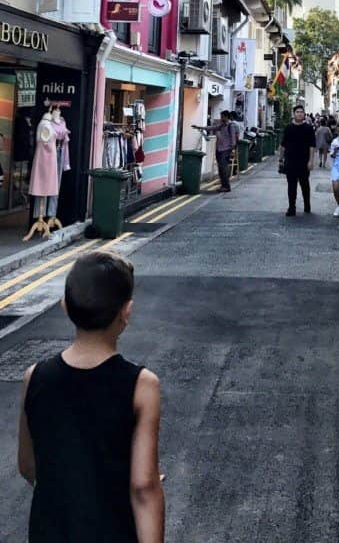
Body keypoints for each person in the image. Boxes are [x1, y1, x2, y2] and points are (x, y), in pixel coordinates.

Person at [18, 251, 165, 543]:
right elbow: (143, 487)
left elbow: (28, 466)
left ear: (64, 306)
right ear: (126, 312)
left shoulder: (34, 377)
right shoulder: (141, 386)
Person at [279, 104, 316, 216]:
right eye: (297, 112)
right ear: (294, 114)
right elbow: (283, 145)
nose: (299, 114)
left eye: (301, 112)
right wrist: (280, 160)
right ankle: (291, 207)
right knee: (291, 185)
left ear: (304, 114)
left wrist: (311, 161)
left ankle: (307, 205)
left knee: (305, 185)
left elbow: (312, 146)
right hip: (290, 161)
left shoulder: (308, 128)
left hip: (304, 161)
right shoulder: (288, 128)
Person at [195, 111, 239, 193]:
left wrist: (232, 151)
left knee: (223, 168)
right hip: (219, 149)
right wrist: (200, 127)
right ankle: (223, 185)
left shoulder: (231, 126)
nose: (221, 118)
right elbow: (212, 128)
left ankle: (226, 186)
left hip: (226, 150)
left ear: (226, 117)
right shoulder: (222, 125)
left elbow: (233, 140)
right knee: (221, 168)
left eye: (222, 116)